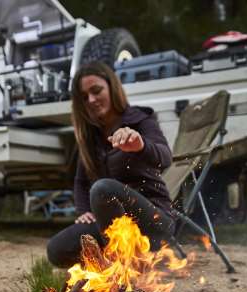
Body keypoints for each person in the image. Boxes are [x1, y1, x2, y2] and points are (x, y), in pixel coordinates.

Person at [47, 61, 175, 268]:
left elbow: (165, 157)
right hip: (110, 225)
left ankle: (124, 269)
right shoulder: (91, 136)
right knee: (57, 249)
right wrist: (83, 211)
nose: (91, 99)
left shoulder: (140, 120)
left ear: (112, 87)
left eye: (96, 91)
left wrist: (141, 145)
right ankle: (114, 263)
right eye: (84, 97)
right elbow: (80, 182)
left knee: (103, 188)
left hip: (152, 220)